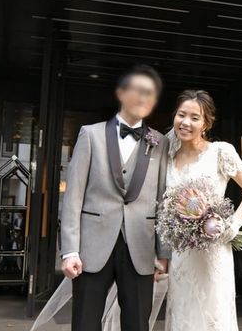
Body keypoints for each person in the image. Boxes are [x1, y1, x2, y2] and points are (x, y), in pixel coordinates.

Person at [59, 64, 170, 331]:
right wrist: (70, 250)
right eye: (138, 90)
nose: (143, 97)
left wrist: (163, 252)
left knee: (137, 324)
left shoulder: (160, 142)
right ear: (121, 93)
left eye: (150, 93)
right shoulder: (90, 134)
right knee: (85, 323)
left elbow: (162, 200)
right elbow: (73, 196)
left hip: (141, 247)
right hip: (92, 246)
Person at [163, 90, 242, 331]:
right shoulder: (166, 154)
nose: (186, 122)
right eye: (181, 115)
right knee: (183, 316)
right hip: (181, 255)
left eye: (194, 117)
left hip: (213, 252)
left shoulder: (220, 152)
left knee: (213, 317)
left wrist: (233, 224)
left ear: (206, 123)